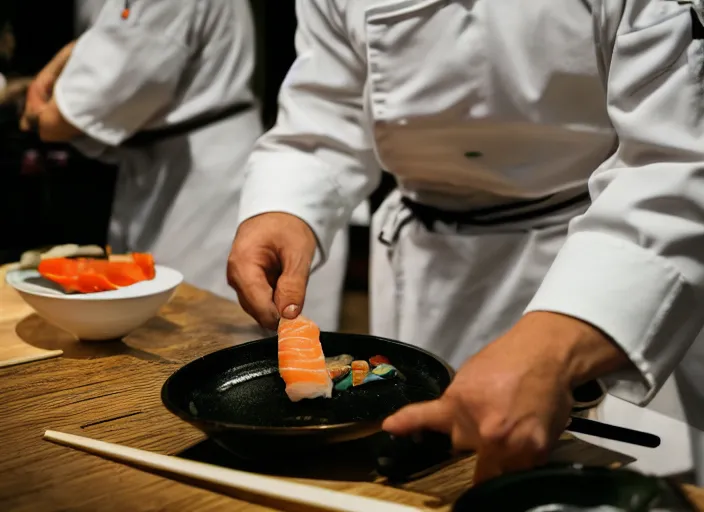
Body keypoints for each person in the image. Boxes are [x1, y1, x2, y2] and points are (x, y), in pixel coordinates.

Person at [227, 0, 704, 484]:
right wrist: (286, 206)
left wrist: (555, 350)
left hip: (595, 258)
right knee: (422, 479)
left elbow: (678, 163)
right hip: (426, 265)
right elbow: (329, 108)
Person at [19, 0, 348, 330]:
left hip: (206, 180)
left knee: (204, 331)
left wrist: (41, 100)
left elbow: (64, 115)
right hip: (165, 164)